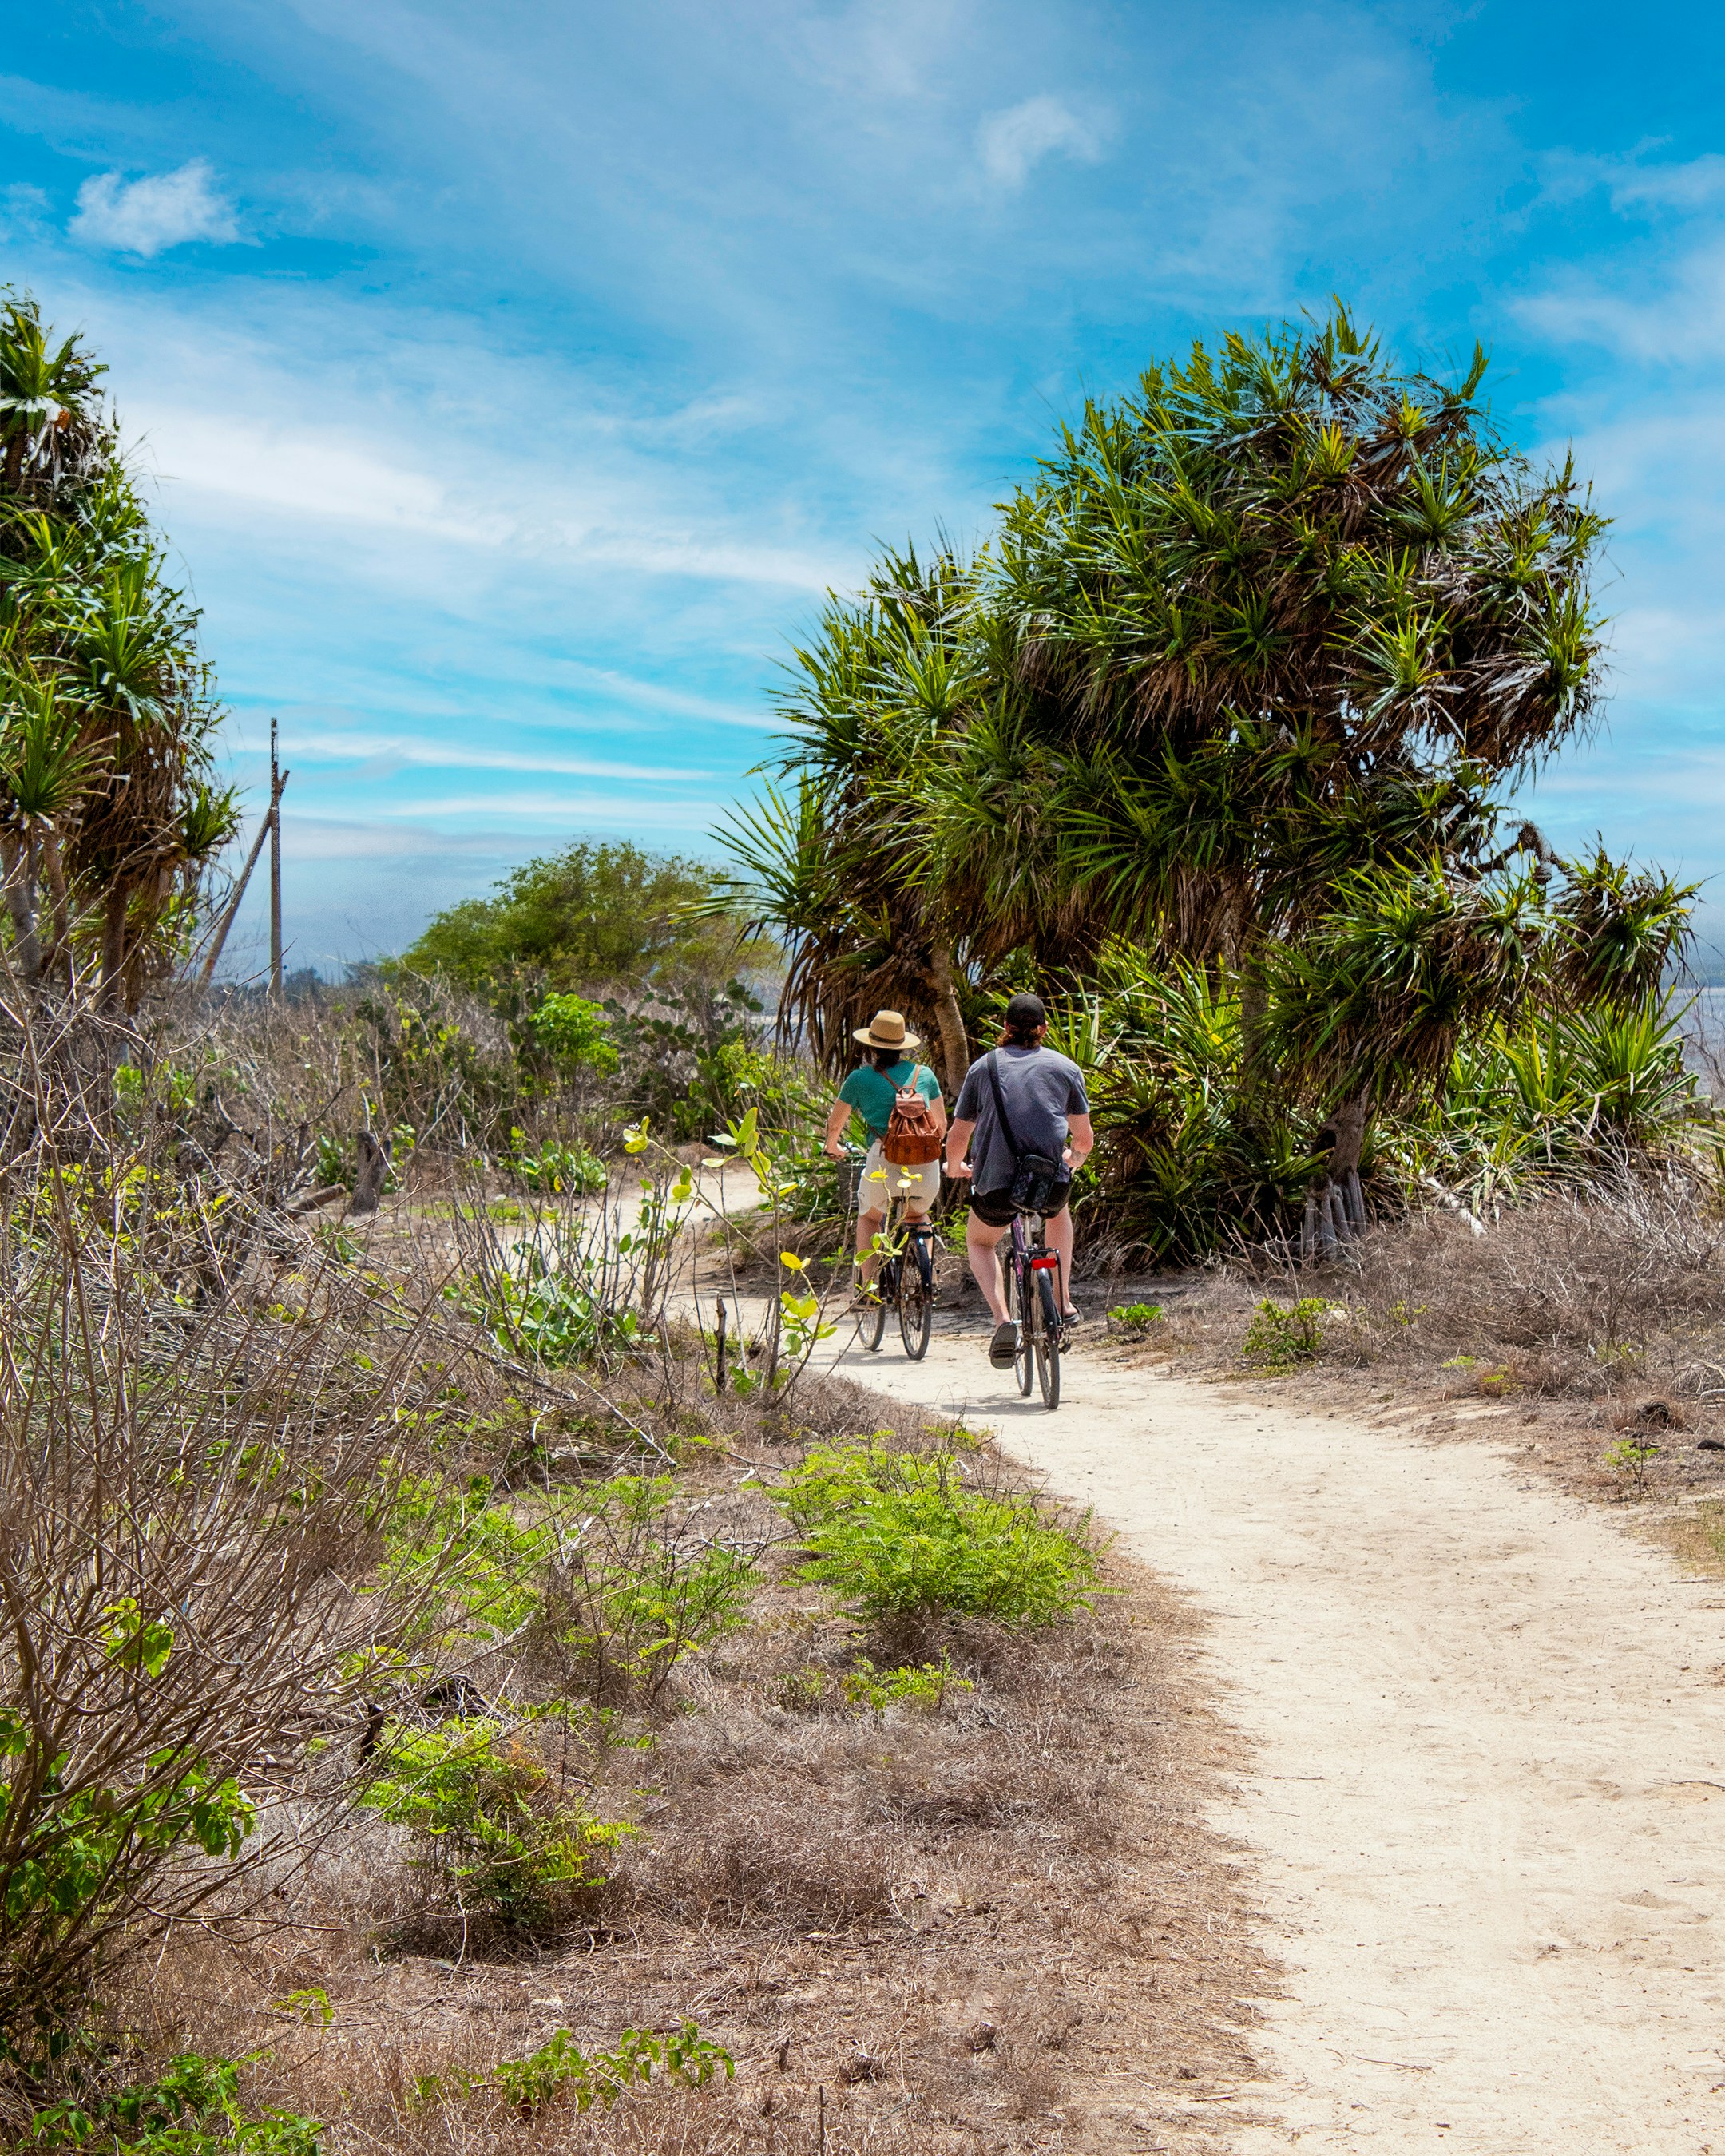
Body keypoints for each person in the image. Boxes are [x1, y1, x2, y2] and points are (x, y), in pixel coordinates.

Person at [945, 992, 1092, 1364]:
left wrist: (954, 1167)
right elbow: (1083, 1139)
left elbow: (958, 1137)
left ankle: (1001, 1319)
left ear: (1006, 1028)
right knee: (1058, 1214)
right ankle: (1062, 1300)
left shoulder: (983, 1068)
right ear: (1044, 1029)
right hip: (1047, 1182)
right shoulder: (1066, 1068)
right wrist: (1074, 1159)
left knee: (980, 1242)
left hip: (996, 1183)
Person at [823, 1008, 945, 1304]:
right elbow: (941, 1125)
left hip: (884, 1159)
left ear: (872, 1046)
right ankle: (926, 1281)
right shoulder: (924, 1075)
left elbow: (835, 1123)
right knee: (918, 1216)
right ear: (903, 1045)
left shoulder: (859, 1079)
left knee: (870, 1217)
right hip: (925, 1166)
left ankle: (869, 1290)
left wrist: (832, 1146)